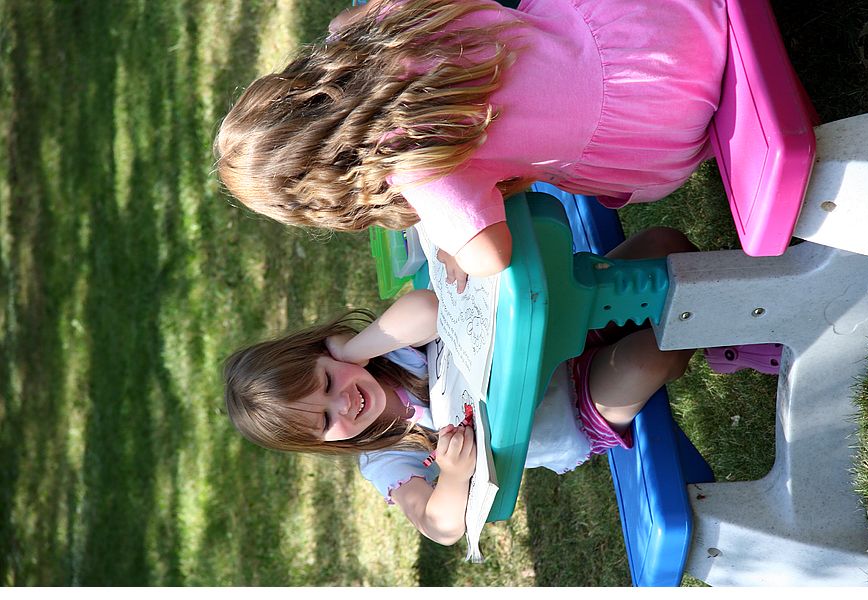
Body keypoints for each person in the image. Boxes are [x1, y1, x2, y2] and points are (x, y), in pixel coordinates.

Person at [223, 228, 696, 545]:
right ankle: (731, 331)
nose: (343, 402)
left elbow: (431, 310)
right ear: (319, 445)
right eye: (325, 420)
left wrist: (355, 350)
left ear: (328, 354)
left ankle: (727, 301)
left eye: (327, 381)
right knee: (651, 355)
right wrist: (451, 477)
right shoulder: (386, 458)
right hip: (571, 408)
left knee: (664, 243)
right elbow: (439, 527)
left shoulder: (384, 353)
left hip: (552, 330)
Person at [214, 0, 726, 291]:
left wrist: (449, 245)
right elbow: (345, 23)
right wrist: (344, 42)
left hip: (664, 114)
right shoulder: (401, 26)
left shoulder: (417, 168)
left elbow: (490, 256)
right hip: (653, 17)